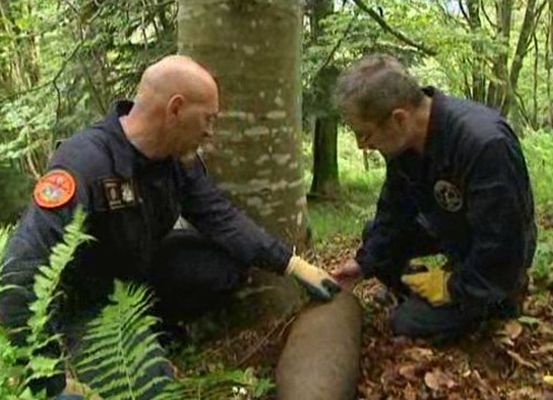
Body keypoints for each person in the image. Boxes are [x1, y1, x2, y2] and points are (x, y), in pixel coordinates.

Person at [0, 55, 340, 398]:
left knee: (226, 264)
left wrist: (292, 264)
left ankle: (160, 328)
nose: (210, 132)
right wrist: (49, 381)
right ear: (175, 108)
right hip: (91, 305)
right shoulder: (85, 162)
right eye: (207, 119)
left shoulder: (175, 159)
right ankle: (126, 348)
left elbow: (220, 217)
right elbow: (18, 273)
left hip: (143, 271)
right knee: (151, 387)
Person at [331, 54, 536, 341]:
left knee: (406, 321)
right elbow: (394, 212)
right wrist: (365, 263)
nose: (363, 146)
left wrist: (453, 286)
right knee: (377, 240)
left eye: (365, 135)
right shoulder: (403, 146)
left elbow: (503, 243)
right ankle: (425, 291)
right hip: (450, 226)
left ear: (399, 118)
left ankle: (495, 304)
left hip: (496, 255)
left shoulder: (484, 144)